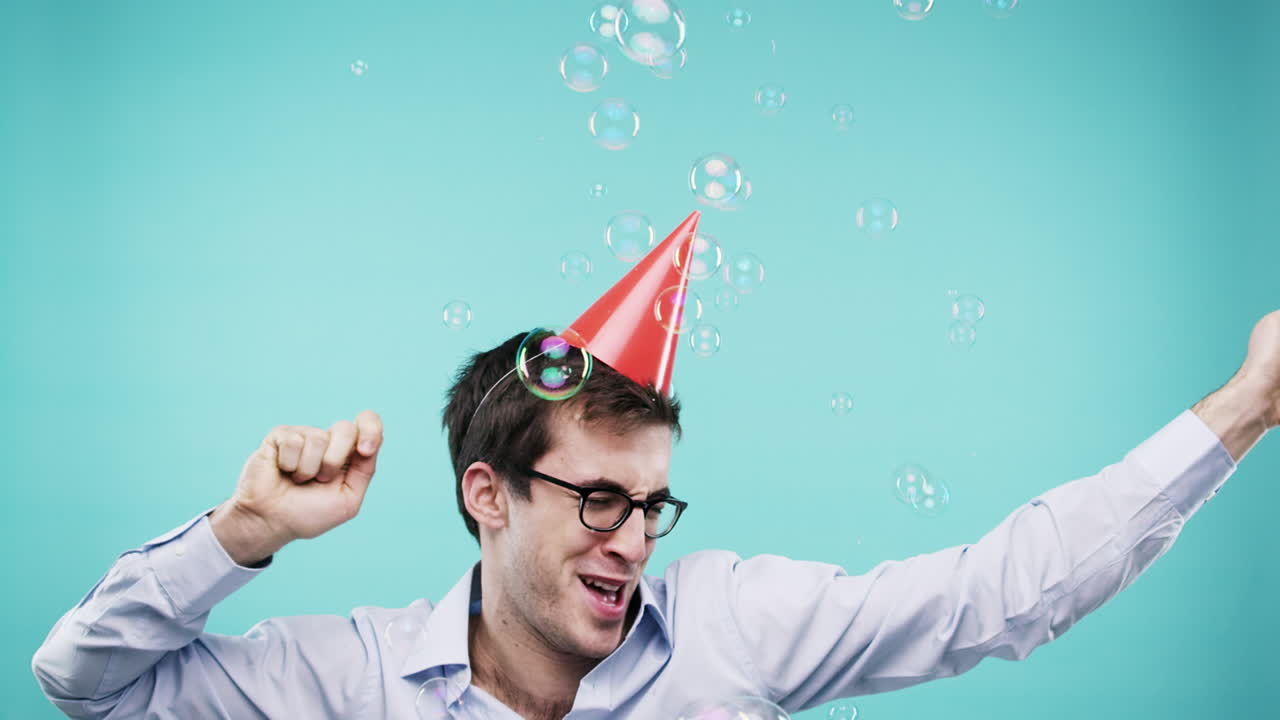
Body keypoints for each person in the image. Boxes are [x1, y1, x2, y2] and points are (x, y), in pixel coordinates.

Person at [31, 213, 1280, 719]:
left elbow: (994, 594)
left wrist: (1243, 405)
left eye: (648, 503)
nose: (632, 538)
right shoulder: (342, 680)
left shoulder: (734, 630)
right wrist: (242, 534)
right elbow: (81, 684)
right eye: (596, 499)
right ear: (487, 496)